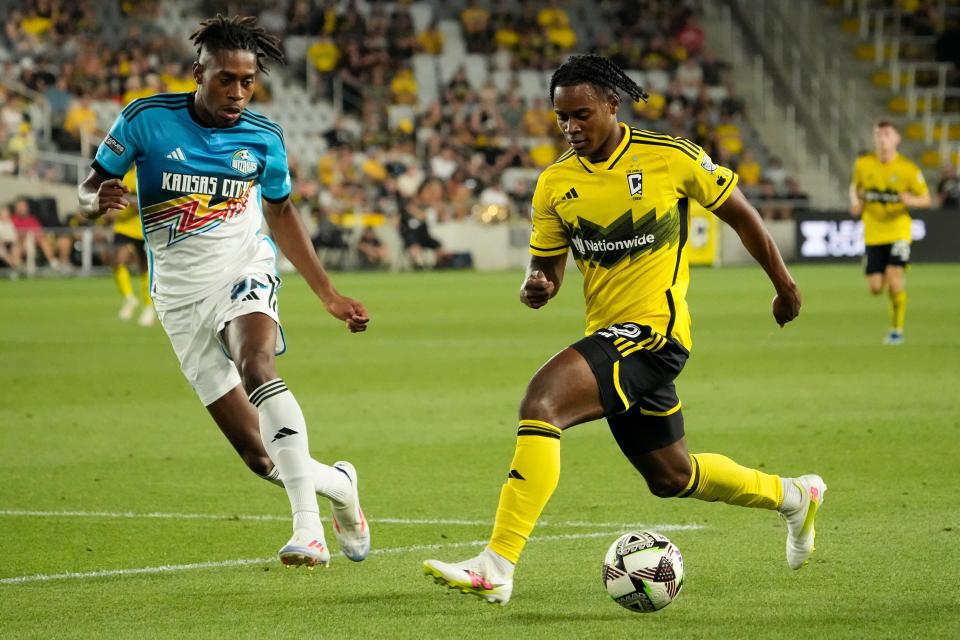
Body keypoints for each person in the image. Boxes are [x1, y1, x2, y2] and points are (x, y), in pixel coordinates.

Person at [422, 54, 823, 605]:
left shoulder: (669, 157)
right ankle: (795, 495)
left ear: (613, 104)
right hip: (613, 338)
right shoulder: (555, 183)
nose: (571, 127)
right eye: (561, 117)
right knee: (672, 476)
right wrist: (535, 285)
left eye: (581, 114)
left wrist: (783, 283)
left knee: (542, 403)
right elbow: (548, 271)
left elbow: (742, 213)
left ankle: (497, 564)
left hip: (656, 334)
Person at [78, 15, 371, 568]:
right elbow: (88, 187)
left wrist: (327, 294)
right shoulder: (145, 120)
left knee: (258, 367)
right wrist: (96, 200)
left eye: (247, 81)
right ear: (198, 72)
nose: (237, 92)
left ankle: (307, 530)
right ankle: (340, 486)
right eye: (225, 79)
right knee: (260, 458)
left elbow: (281, 212)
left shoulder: (263, 137)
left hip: (244, 268)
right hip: (178, 296)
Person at [849, 121, 932, 345]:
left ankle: (897, 330)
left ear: (897, 139)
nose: (881, 138)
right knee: (876, 288)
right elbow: (854, 187)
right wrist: (856, 202)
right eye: (878, 134)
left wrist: (911, 200)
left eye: (886, 134)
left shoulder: (908, 169)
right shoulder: (863, 164)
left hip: (898, 230)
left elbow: (926, 199)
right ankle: (884, 271)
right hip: (873, 232)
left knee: (895, 281)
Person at [107, 168, 155, 326]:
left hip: (142, 229)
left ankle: (148, 307)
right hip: (123, 227)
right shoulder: (124, 176)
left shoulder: (149, 173)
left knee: (144, 268)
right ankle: (129, 298)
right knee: (117, 261)